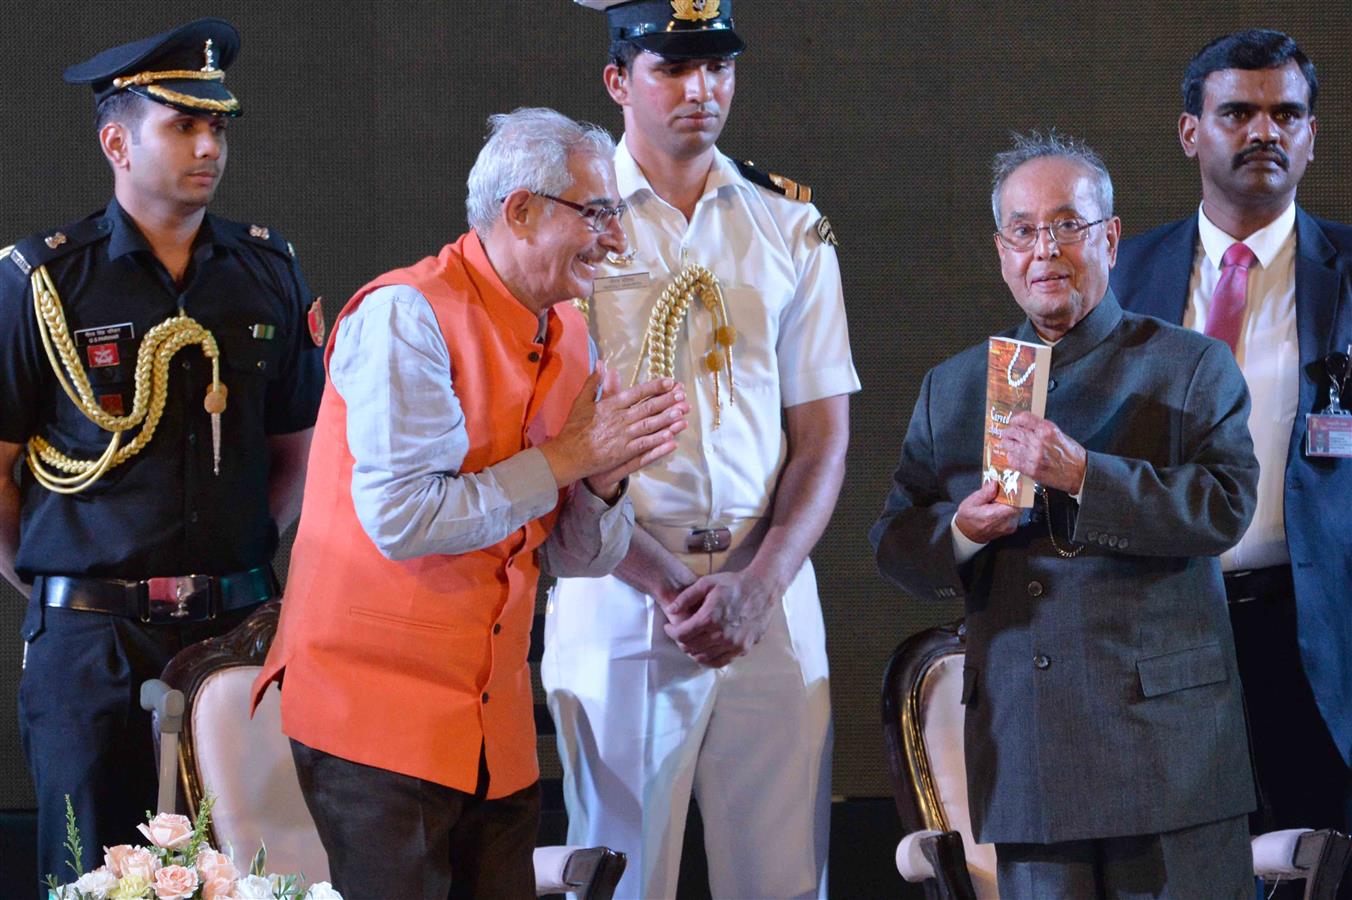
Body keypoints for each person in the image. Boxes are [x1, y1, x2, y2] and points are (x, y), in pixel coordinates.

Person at [251, 107, 688, 899]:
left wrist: (605, 479)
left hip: (495, 724)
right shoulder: (405, 314)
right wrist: (569, 457)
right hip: (376, 720)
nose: (616, 240)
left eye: (617, 215)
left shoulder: (571, 332)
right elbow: (403, 517)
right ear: (520, 209)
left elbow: (578, 558)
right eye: (597, 214)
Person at [871, 132, 1260, 898]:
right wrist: (962, 532)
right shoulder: (954, 389)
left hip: (1165, 749)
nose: (1044, 249)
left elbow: (1226, 509)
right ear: (1001, 250)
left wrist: (1085, 476)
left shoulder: (1187, 365)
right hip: (1028, 749)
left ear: (1110, 237)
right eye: (1023, 230)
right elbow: (894, 543)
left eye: (1067, 225)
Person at [0, 19, 322, 892]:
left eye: (217, 126)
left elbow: (298, 443)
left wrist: (250, 552)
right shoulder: (42, 282)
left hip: (236, 627)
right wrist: (64, 589)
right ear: (116, 141)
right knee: (91, 876)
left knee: (250, 872)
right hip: (93, 639)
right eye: (183, 126)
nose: (209, 145)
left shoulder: (267, 270)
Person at [546, 2, 860, 897]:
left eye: (718, 66)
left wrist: (758, 585)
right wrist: (668, 584)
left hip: (769, 586)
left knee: (786, 880)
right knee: (620, 878)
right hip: (624, 586)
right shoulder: (573, 221)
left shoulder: (787, 220)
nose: (702, 90)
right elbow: (546, 435)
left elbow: (823, 435)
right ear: (618, 82)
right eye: (673, 68)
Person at [1110, 29, 1352, 844]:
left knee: (1323, 858)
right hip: (1159, 629)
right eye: (1238, 112)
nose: (1265, 133)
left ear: (1312, 137)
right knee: (1181, 865)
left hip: (1316, 632)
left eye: (1287, 115)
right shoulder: (1120, 278)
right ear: (1191, 132)